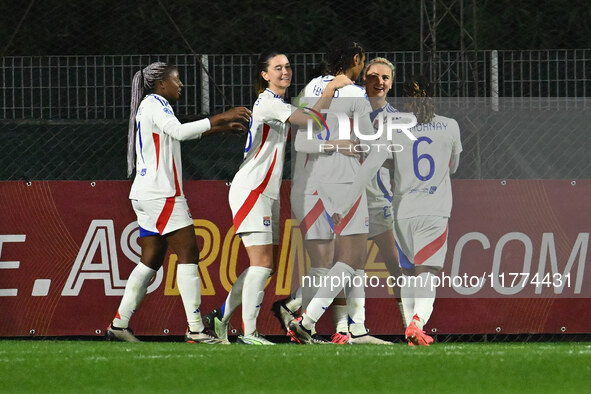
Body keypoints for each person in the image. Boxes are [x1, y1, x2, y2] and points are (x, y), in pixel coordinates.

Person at [204, 51, 352, 345]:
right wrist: (331, 90)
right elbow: (312, 122)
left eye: (287, 67)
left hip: (266, 192)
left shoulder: (279, 104)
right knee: (261, 264)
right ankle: (249, 333)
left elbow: (313, 120)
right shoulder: (269, 103)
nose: (285, 71)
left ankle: (220, 317)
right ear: (265, 75)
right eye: (277, 68)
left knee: (264, 265)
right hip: (252, 189)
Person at [105, 61, 251, 344]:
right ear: (161, 83)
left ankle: (119, 325)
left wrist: (218, 128)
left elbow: (175, 134)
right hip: (163, 194)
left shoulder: (152, 105)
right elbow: (180, 132)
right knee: (189, 254)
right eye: (176, 79)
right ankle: (196, 329)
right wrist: (222, 116)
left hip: (147, 193)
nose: (181, 84)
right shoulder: (155, 104)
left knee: (151, 260)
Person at [287, 39, 391, 345]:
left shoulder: (311, 88)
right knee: (352, 256)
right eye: (363, 61)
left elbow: (302, 143)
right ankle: (307, 320)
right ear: (356, 59)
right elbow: (369, 144)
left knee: (354, 259)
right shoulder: (355, 94)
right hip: (347, 177)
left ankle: (356, 328)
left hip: (320, 177)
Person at [392, 76, 462, 345]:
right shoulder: (450, 126)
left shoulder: (395, 128)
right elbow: (453, 167)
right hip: (433, 209)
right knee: (426, 273)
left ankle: (409, 333)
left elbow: (387, 163)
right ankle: (417, 322)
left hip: (402, 210)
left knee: (409, 273)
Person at [362, 57, 405, 328]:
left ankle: (409, 327)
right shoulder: (349, 112)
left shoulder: (397, 120)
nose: (379, 82)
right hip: (346, 201)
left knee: (396, 267)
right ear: (363, 79)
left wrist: (375, 156)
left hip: (379, 203)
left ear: (391, 83)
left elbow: (401, 161)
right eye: (373, 76)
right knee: (336, 267)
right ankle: (344, 328)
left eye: (385, 77)